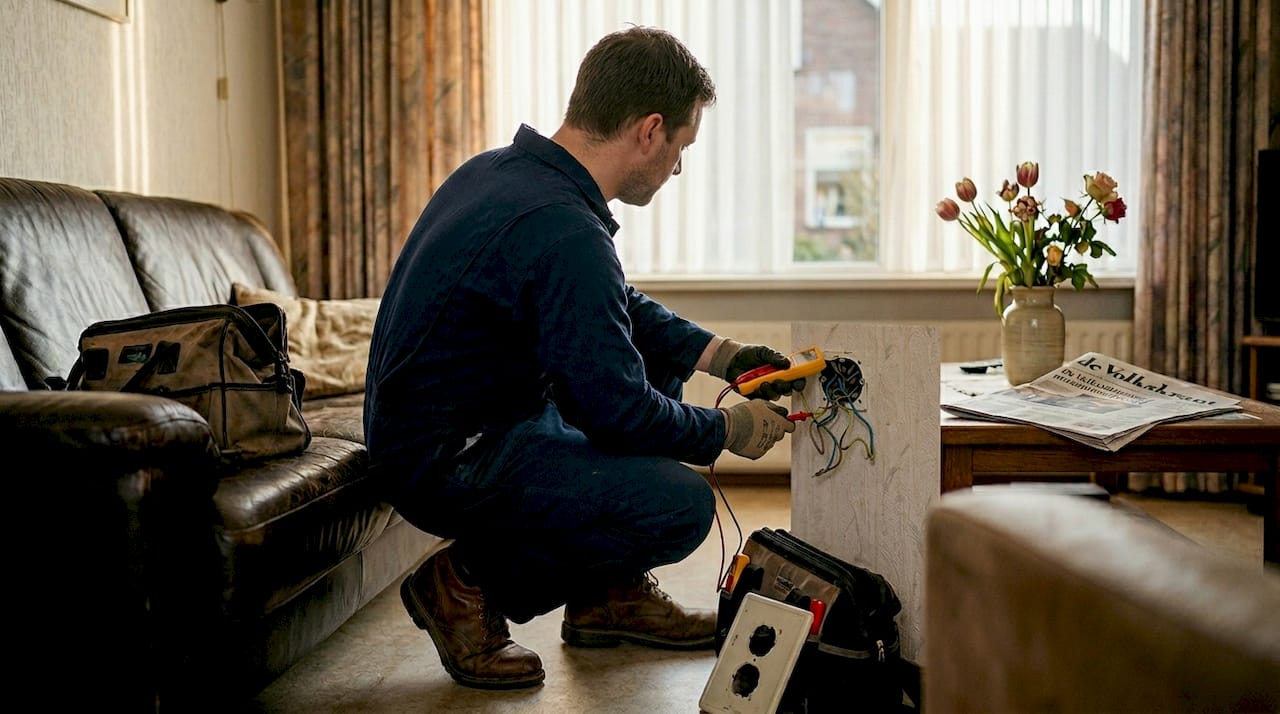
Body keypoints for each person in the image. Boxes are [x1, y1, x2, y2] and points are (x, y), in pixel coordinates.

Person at [364, 25, 804, 690]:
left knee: (659, 365)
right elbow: (618, 411)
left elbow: (610, 302)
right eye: (682, 147)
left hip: (441, 426)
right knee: (680, 506)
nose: (679, 166)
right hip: (446, 457)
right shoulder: (565, 227)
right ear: (650, 131)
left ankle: (605, 599)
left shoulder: (507, 173)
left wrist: (722, 354)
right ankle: (463, 584)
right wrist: (727, 431)